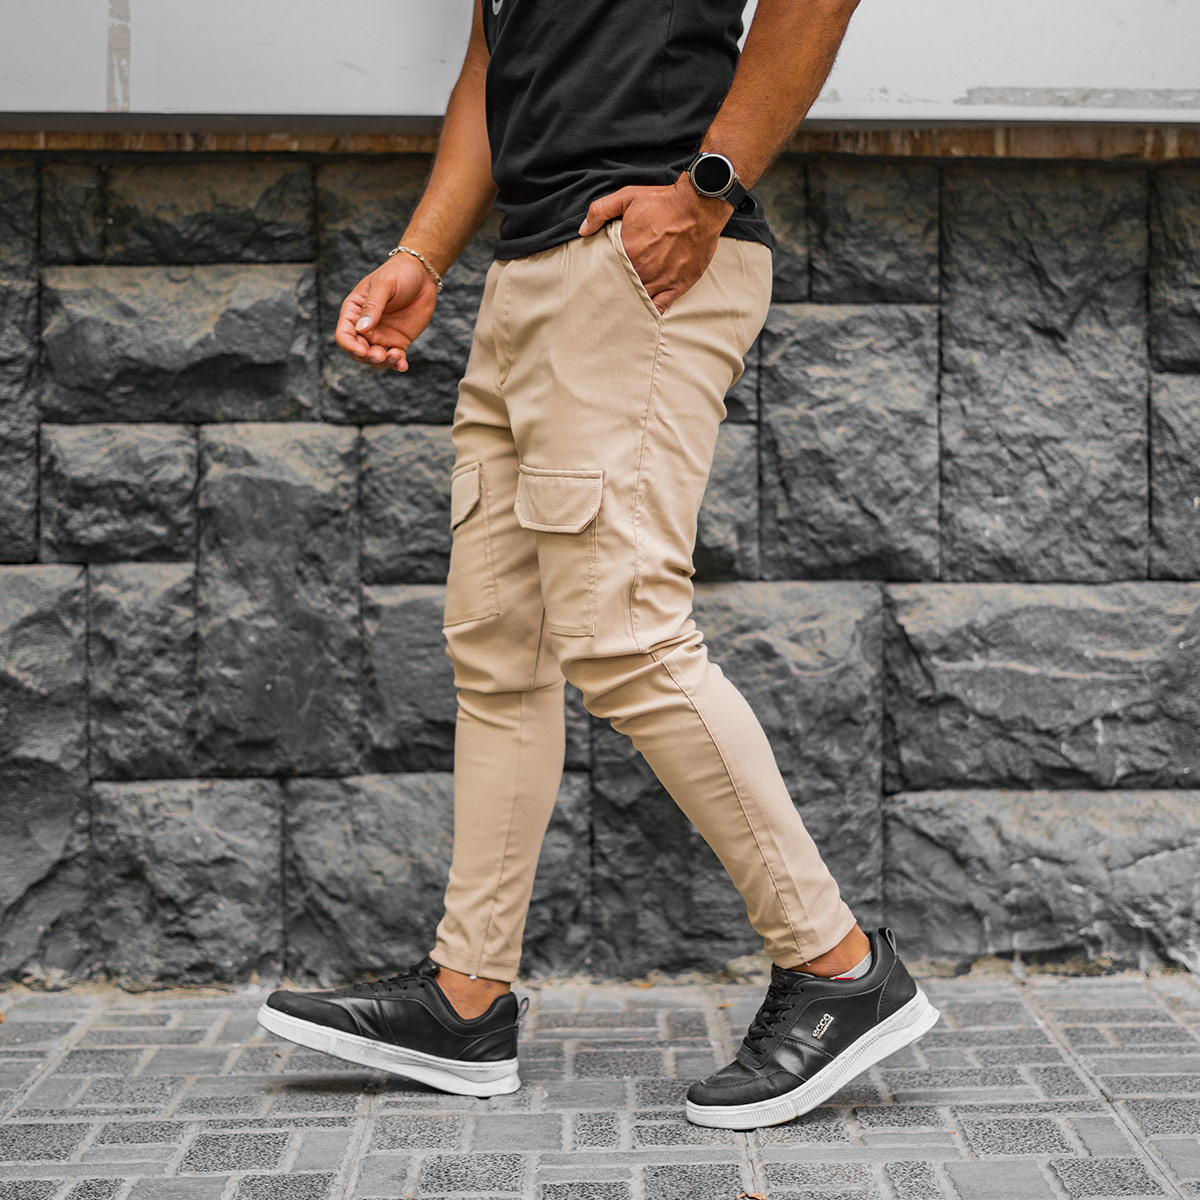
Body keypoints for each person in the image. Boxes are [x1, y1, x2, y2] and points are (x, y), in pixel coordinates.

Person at [257, 0, 940, 1129]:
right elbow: (494, 59)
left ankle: (838, 964)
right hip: (528, 272)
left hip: (642, 257)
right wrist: (424, 254)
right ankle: (465, 997)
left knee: (625, 637)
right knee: (499, 652)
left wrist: (707, 188)